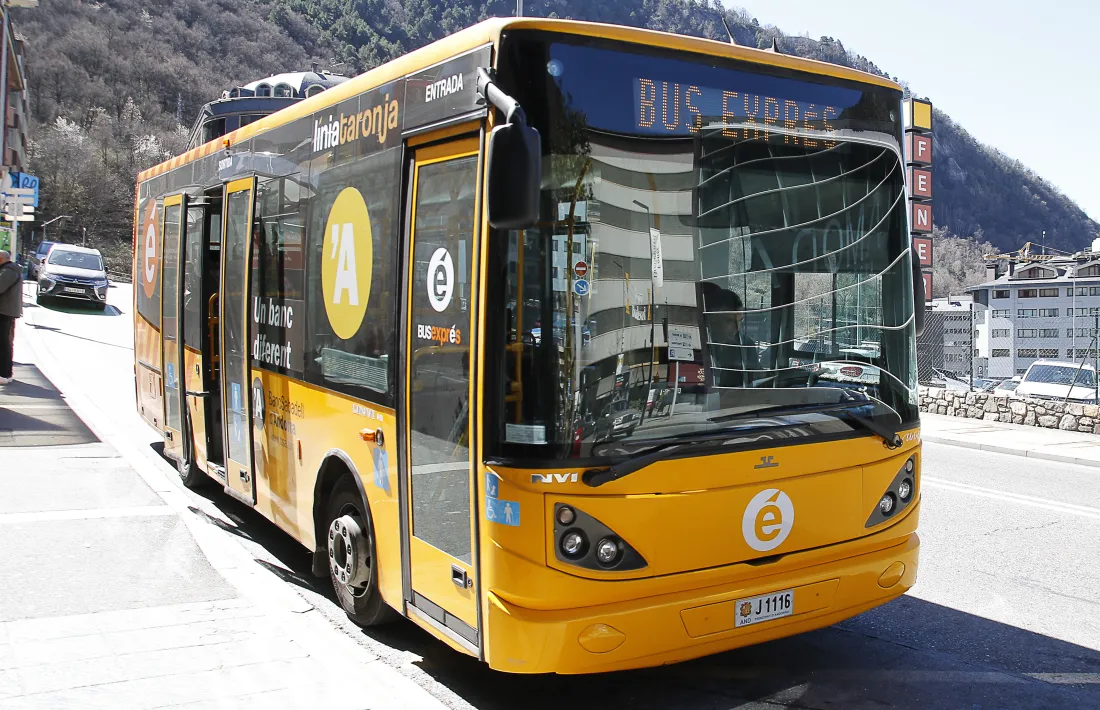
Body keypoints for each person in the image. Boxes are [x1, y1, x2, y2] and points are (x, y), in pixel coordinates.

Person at [701, 282, 759, 388]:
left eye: (740, 321)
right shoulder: (699, 345)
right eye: (729, 321)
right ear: (712, 320)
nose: (737, 328)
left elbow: (755, 381)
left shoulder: (745, 346)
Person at [0, 249, 23, 385]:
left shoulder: (8, 271)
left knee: (4, 344)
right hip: (7, 311)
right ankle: (5, 373)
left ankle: (4, 373)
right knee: (5, 343)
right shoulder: (11, 270)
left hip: (4, 312)